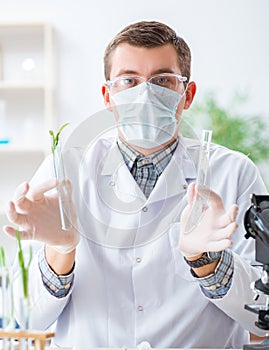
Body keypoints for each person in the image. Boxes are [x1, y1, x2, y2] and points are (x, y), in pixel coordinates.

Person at [4, 21, 268, 348]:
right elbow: (23, 317)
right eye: (129, 80)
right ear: (108, 96)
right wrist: (61, 250)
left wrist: (207, 260)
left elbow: (262, 317)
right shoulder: (63, 170)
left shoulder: (233, 172)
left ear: (187, 95)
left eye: (162, 80)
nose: (145, 93)